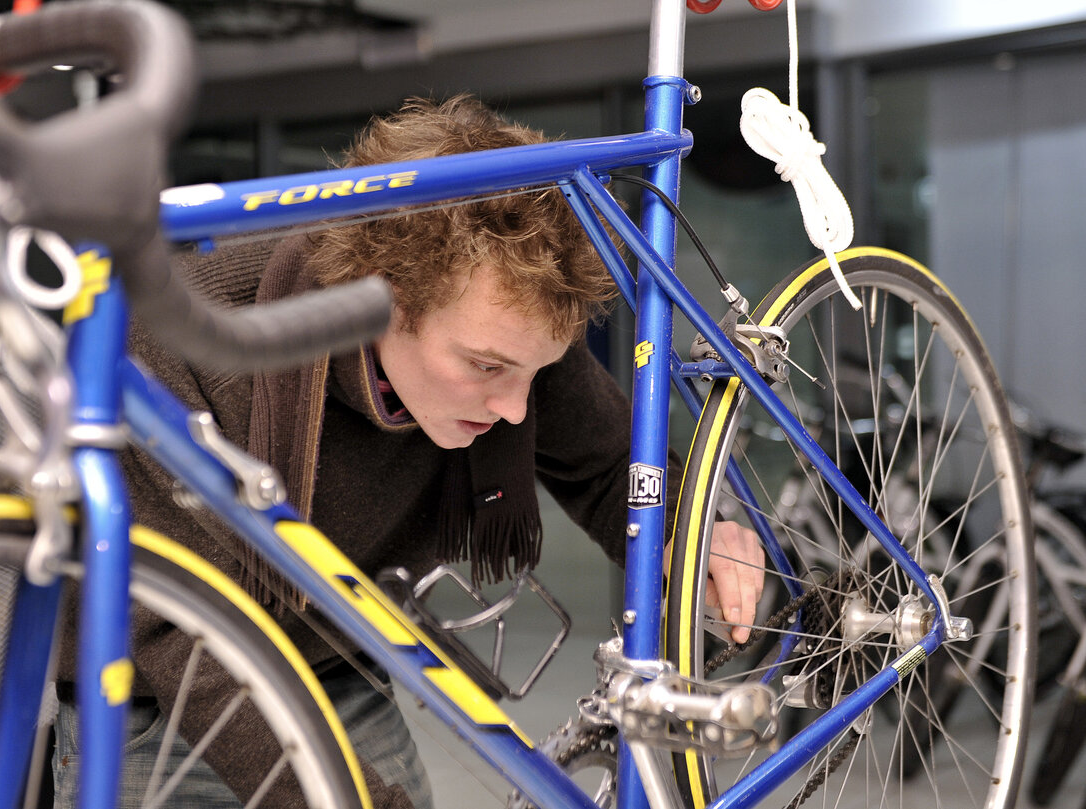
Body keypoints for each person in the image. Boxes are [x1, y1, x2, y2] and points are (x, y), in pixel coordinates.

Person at [52, 94, 764, 809]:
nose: (517, 408)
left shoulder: (513, 331)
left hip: (340, 663)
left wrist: (688, 535)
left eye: (534, 373)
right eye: (485, 368)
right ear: (378, 299)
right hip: (154, 705)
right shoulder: (180, 345)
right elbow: (181, 636)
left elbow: (611, 465)